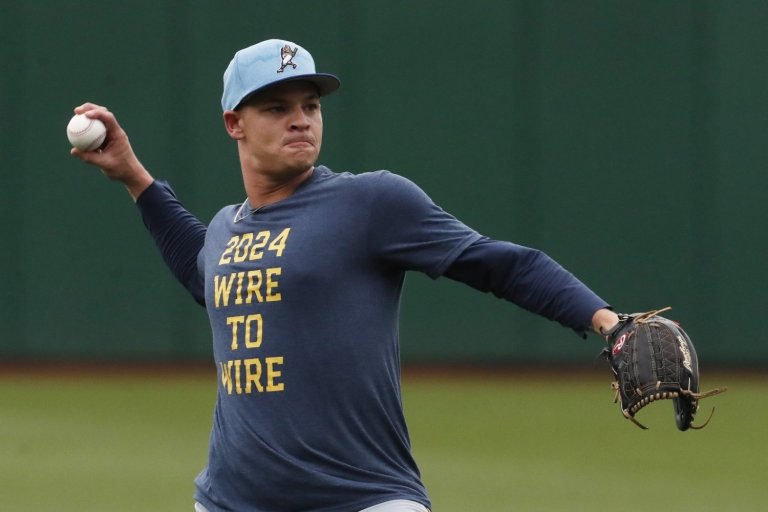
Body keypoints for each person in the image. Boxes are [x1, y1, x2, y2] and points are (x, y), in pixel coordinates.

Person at [71, 39, 619, 512]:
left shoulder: (370, 202)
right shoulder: (224, 230)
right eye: (276, 106)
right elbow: (203, 273)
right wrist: (134, 176)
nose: (300, 118)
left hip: (364, 496)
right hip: (231, 500)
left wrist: (609, 323)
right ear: (234, 123)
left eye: (310, 105)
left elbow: (500, 264)